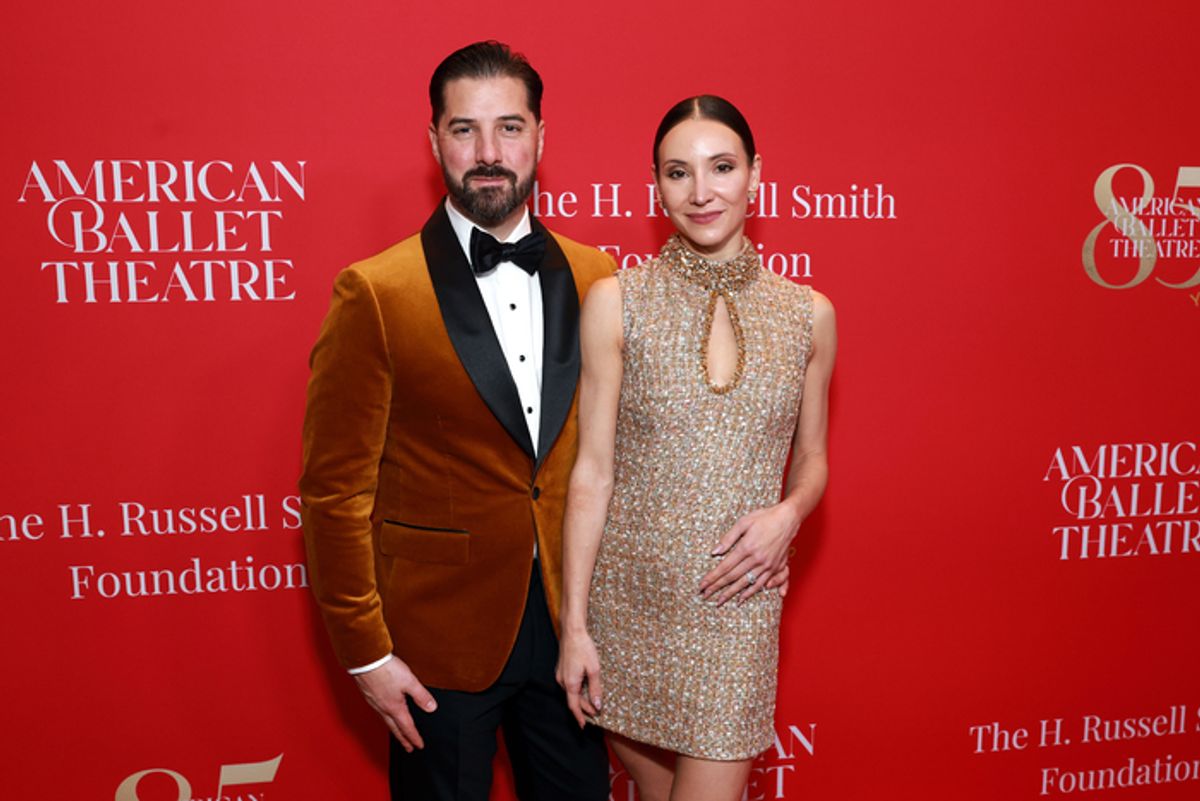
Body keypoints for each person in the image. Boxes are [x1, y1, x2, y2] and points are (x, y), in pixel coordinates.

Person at [300, 41, 613, 801]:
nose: (488, 152)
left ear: (542, 136)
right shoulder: (375, 291)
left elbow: (609, 457)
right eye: (464, 129)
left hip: (572, 627)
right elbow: (334, 493)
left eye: (509, 127)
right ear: (433, 139)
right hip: (438, 647)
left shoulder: (596, 274)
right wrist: (368, 656)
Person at [555, 95, 837, 801]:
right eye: (678, 173)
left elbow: (812, 458)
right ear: (656, 185)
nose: (702, 191)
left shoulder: (809, 313)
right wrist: (575, 626)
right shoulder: (616, 301)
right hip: (630, 600)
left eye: (721, 167)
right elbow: (592, 471)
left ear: (756, 174)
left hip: (737, 600)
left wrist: (790, 514)